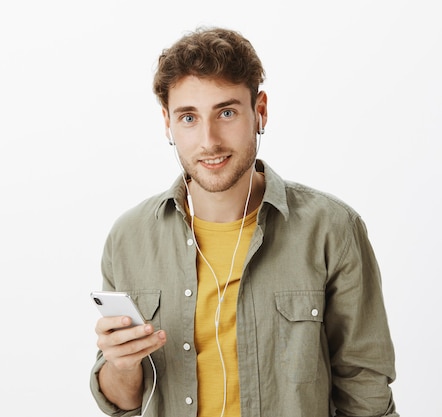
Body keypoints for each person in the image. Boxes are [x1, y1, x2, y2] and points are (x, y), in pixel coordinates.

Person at [90, 26, 399, 417]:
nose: (209, 140)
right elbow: (123, 403)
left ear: (260, 111)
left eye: (227, 112)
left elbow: (365, 388)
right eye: (189, 118)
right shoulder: (128, 238)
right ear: (167, 122)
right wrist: (121, 363)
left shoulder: (332, 229)